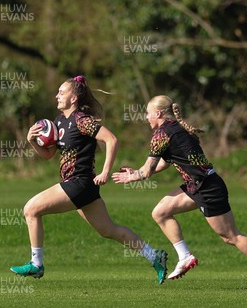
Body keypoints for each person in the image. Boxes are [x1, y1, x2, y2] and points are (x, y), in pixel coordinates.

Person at [112, 95, 247, 292]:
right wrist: (136, 173)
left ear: (158, 113)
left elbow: (148, 170)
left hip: (207, 189)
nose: (146, 117)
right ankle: (185, 257)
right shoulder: (176, 129)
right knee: (160, 212)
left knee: (230, 237)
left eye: (148, 114)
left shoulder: (161, 134)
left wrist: (131, 177)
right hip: (198, 185)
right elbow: (167, 162)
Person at [10, 76, 168, 284]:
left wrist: (104, 171)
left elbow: (112, 140)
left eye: (62, 92)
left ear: (73, 98)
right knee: (109, 230)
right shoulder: (59, 121)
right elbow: (48, 155)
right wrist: (32, 140)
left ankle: (36, 264)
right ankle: (155, 256)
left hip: (79, 183)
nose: (57, 95)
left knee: (30, 209)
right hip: (84, 188)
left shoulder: (82, 120)